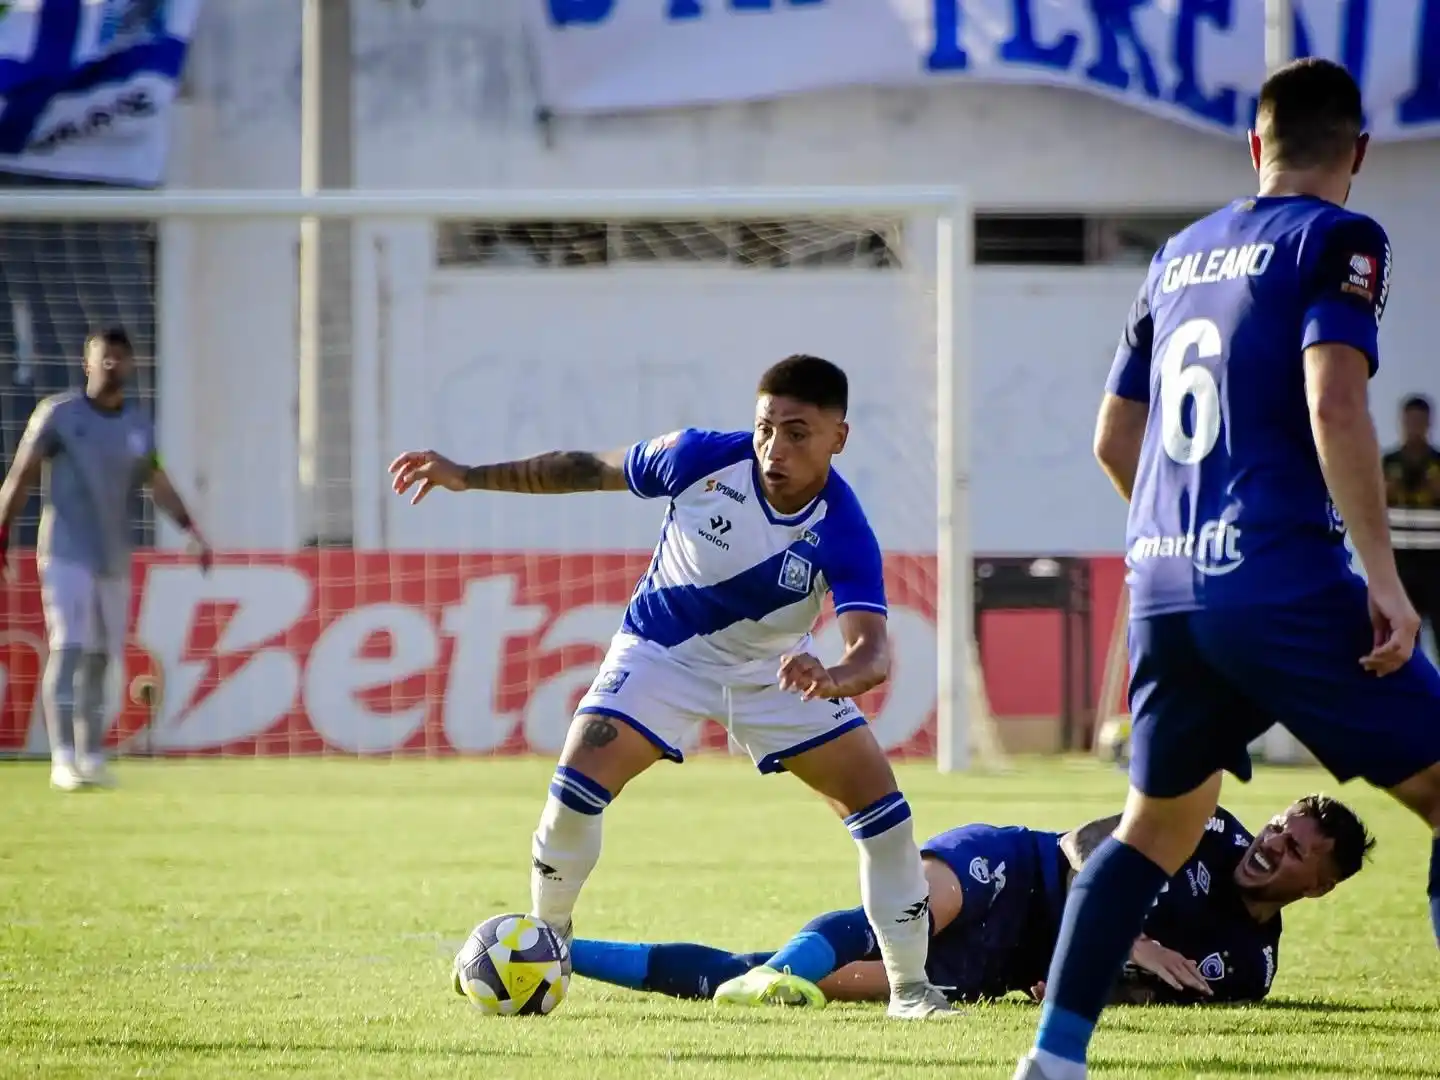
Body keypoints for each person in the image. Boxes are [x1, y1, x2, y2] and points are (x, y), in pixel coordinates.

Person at [1016, 59, 1440, 1080]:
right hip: (1281, 578)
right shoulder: (1343, 238)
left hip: (1164, 581)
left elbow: (1115, 439)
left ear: (1255, 146)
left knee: (1152, 830)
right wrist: (1385, 578)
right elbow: (1335, 401)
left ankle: (1055, 1062)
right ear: (1360, 155)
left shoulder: (1178, 253)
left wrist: (1188, 551)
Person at [390, 354, 952, 1018]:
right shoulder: (696, 458)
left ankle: (912, 990)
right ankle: (549, 942)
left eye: (797, 433)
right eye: (766, 427)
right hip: (662, 654)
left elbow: (872, 652)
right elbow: (584, 468)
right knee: (576, 784)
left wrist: (833, 677)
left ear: (839, 437)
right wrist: (468, 477)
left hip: (771, 672)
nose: (775, 448)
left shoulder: (844, 529)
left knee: (886, 817)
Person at [566, 795, 1372, 1009]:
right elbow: (1081, 845)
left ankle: (561, 955)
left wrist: (1093, 983)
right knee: (905, 909)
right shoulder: (1206, 825)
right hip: (1016, 868)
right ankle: (777, 968)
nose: (1272, 845)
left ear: (1321, 884)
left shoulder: (1252, 969)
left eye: (1296, 849)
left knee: (806, 987)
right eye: (1278, 828)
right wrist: (1127, 937)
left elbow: (1159, 993)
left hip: (1007, 962)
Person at [0, 328, 212, 790]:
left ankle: (91, 754)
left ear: (132, 365)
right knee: (69, 646)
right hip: (65, 551)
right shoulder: (59, 415)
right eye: (103, 357)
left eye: (120, 358)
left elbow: (156, 480)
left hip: (113, 557)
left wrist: (191, 529)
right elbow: (21, 475)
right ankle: (61, 758)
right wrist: (3, 531)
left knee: (101, 657)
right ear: (87, 363)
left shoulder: (138, 425)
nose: (111, 365)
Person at [1383, 394, 1440, 654]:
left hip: (1436, 565)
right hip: (1400, 566)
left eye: (1420, 421)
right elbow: (1372, 506)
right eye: (1411, 421)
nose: (1415, 426)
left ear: (1429, 423)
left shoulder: (1437, 464)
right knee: (1404, 643)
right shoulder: (1388, 463)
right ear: (1403, 422)